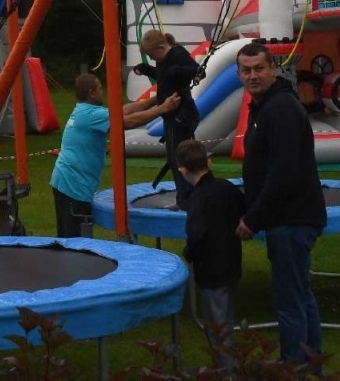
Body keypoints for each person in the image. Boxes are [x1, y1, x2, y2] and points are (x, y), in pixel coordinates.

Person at [235, 41, 327, 367]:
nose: (253, 75)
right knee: (301, 295)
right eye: (246, 70)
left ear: (272, 68)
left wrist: (252, 218)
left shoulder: (282, 108)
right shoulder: (262, 107)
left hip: (292, 218)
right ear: (238, 73)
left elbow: (284, 172)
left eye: (259, 68)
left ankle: (293, 366)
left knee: (289, 301)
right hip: (286, 217)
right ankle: (310, 362)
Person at [51, 72, 179, 237]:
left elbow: (123, 111)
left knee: (70, 236)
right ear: (91, 93)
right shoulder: (91, 115)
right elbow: (129, 121)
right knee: (75, 238)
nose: (102, 91)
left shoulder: (86, 111)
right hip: (73, 187)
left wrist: (155, 100)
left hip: (66, 182)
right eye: (99, 88)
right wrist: (163, 109)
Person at [177, 138, 245, 361]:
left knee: (217, 325)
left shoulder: (198, 198)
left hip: (211, 269)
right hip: (231, 262)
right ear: (209, 163)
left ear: (182, 170)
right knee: (226, 316)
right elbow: (244, 207)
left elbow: (197, 234)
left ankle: (228, 370)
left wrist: (189, 252)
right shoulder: (225, 187)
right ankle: (230, 365)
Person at [136, 31, 203, 207]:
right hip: (173, 115)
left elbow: (197, 71)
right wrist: (146, 70)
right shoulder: (163, 60)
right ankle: (186, 197)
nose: (152, 58)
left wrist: (177, 71)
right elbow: (163, 76)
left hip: (182, 114)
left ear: (160, 47)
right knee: (176, 158)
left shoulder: (178, 54)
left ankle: (185, 199)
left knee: (178, 159)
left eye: (151, 55)